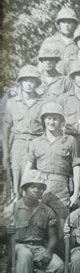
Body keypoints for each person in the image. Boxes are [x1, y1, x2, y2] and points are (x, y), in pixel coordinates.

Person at [9, 170, 64, 273]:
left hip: (39, 247)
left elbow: (53, 237)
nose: (37, 190)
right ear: (24, 189)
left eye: (40, 188)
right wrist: (6, 231)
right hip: (19, 246)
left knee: (59, 266)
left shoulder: (47, 211)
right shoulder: (13, 208)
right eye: (33, 187)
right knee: (25, 254)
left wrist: (49, 251)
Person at [25, 101, 80, 206]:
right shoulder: (35, 143)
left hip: (62, 189)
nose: (51, 122)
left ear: (61, 121)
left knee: (61, 220)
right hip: (41, 188)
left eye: (55, 119)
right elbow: (28, 169)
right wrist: (27, 192)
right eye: (48, 119)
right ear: (43, 120)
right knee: (40, 220)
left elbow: (76, 168)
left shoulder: (70, 140)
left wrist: (76, 193)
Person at [3, 65, 45, 199]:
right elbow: (6, 129)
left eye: (32, 80)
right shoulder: (12, 103)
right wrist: (5, 153)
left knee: (35, 181)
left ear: (37, 83)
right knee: (17, 182)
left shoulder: (43, 103)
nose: (28, 84)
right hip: (18, 146)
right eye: (25, 80)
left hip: (37, 144)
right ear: (20, 82)